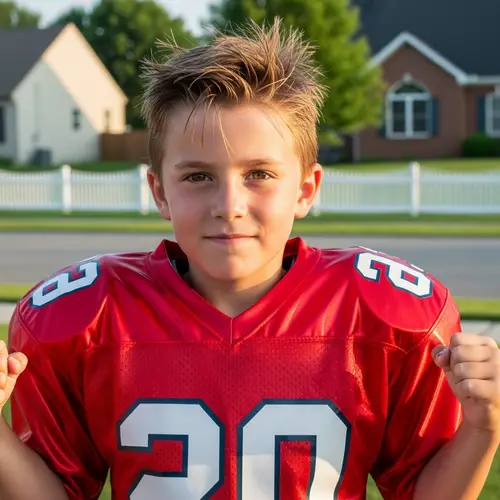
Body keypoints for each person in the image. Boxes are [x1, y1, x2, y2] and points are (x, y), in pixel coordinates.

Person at [2, 18, 500, 500]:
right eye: (197, 176)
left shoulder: (388, 312)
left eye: (259, 173)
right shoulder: (83, 316)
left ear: (306, 189)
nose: (228, 205)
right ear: (159, 192)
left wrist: (484, 428)